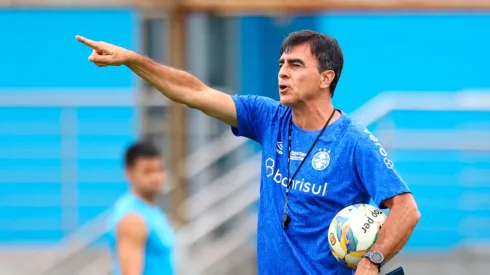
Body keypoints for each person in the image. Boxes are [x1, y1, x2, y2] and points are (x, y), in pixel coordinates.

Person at [77, 30, 421, 275]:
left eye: (296, 65)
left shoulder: (354, 142)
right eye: (281, 63)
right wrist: (132, 60)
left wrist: (371, 260)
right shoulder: (267, 116)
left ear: (325, 78)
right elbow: (192, 92)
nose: (283, 72)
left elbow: (406, 209)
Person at [107, 142, 174, 275]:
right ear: (129, 173)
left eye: (159, 169)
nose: (156, 177)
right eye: (147, 171)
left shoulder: (150, 209)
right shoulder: (132, 219)